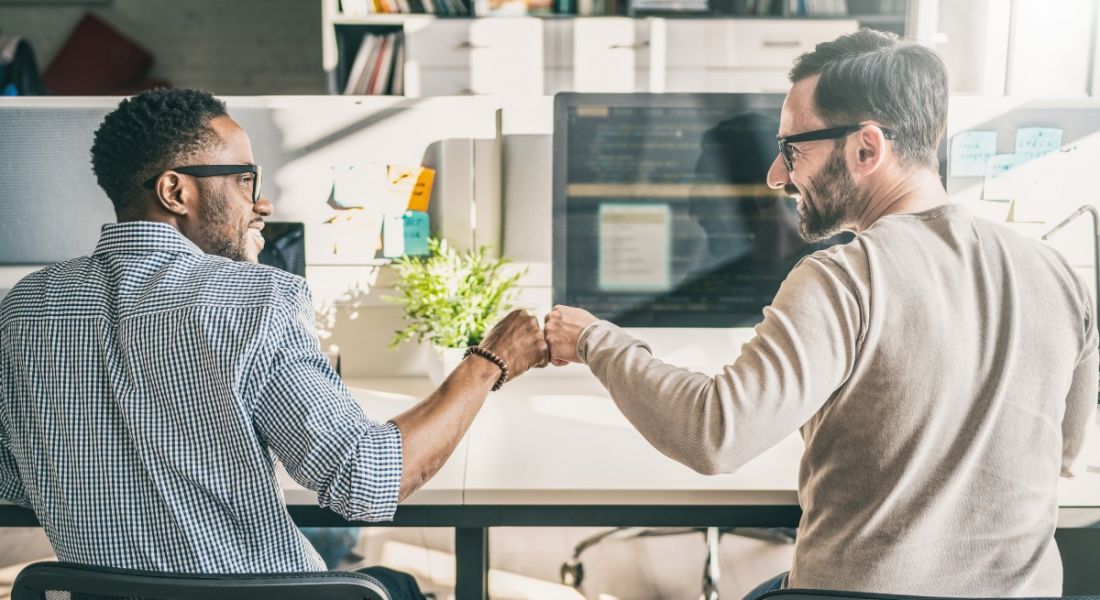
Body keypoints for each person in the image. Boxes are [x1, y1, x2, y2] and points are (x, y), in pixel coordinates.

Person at [544, 29, 1098, 599]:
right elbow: (1063, 454)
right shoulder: (1060, 276)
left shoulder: (844, 278)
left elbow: (715, 434)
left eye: (792, 149)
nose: (777, 177)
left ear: (866, 149)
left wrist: (594, 339)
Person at [0, 88, 549, 599]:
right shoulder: (256, 298)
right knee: (394, 583)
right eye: (245, 180)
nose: (260, 205)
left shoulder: (23, 307)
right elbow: (367, 481)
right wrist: (489, 363)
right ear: (175, 191)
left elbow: (14, 482)